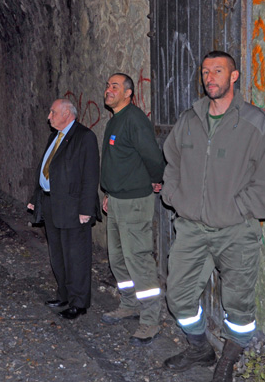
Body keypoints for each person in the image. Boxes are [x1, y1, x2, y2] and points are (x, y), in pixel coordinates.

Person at [161, 51, 265, 382]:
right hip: (191, 227)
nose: (210, 77)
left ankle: (230, 356)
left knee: (239, 305)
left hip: (236, 229)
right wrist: (174, 195)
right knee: (178, 295)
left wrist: (243, 208)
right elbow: (171, 161)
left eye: (218, 70)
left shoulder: (256, 122)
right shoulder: (189, 119)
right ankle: (200, 347)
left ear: (234, 77)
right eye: (205, 71)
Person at [100, 73, 165, 346]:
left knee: (138, 259)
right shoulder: (115, 120)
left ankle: (151, 320)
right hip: (116, 200)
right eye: (107, 86)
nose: (108, 90)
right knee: (117, 258)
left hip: (134, 202)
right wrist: (109, 194)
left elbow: (152, 155)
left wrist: (156, 179)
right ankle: (129, 303)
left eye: (115, 86)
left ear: (128, 93)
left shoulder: (134, 119)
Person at [27, 99, 101, 320]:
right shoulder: (54, 137)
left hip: (73, 207)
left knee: (76, 256)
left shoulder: (84, 137)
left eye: (53, 112)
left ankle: (79, 302)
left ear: (67, 113)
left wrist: (86, 209)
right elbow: (46, 168)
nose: (49, 116)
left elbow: (90, 176)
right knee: (57, 254)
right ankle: (64, 294)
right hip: (51, 204)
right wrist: (36, 197)